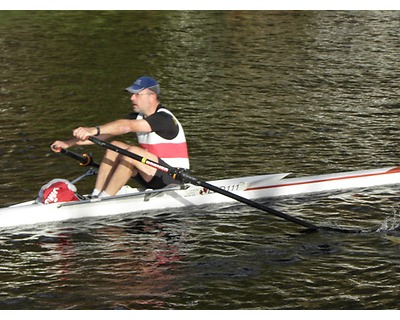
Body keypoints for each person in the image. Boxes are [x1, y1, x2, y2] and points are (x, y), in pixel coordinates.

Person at [51, 76, 190, 198]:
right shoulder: (138, 117)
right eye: (131, 94)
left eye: (137, 94)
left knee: (131, 152)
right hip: (151, 174)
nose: (131, 98)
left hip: (173, 178)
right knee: (115, 146)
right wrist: (67, 144)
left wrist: (93, 129)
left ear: (152, 96)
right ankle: (97, 194)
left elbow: (125, 126)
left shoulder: (164, 118)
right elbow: (103, 135)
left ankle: (105, 198)